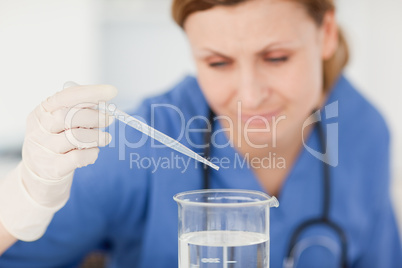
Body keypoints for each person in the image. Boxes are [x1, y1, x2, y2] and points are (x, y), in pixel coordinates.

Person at [0, 0, 401, 267]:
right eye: (218, 62)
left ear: (326, 32)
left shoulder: (364, 131)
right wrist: (26, 194)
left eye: (276, 57)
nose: (250, 95)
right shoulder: (146, 140)